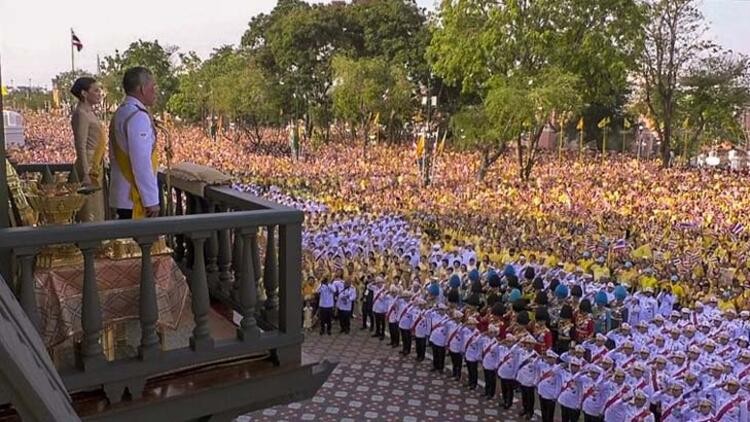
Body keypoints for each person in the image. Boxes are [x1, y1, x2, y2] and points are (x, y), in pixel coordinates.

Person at [109, 66, 160, 219]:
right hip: (134, 197)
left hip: (123, 195)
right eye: (152, 87)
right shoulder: (137, 116)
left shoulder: (122, 111)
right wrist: (151, 199)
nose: (155, 92)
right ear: (142, 89)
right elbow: (141, 162)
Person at [70, 76, 106, 222]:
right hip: (89, 164)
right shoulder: (81, 114)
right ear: (84, 93)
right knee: (90, 211)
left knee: (98, 208)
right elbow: (81, 145)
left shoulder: (90, 112)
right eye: (95, 90)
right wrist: (85, 173)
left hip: (96, 163)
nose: (99, 94)